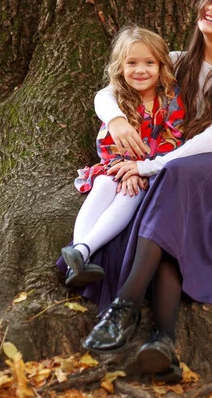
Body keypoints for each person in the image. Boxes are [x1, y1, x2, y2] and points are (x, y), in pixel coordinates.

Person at [80, 0, 212, 383]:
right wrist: (115, 120)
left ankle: (125, 306)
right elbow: (109, 90)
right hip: (176, 170)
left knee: (174, 178)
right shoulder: (173, 60)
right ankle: (163, 342)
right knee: (169, 227)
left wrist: (152, 166)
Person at [61, 26, 185, 287]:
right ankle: (78, 255)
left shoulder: (170, 100)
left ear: (162, 65)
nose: (140, 70)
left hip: (150, 170)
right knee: (105, 183)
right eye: (132, 63)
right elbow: (108, 142)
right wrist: (121, 167)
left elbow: (173, 140)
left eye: (149, 62)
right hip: (116, 166)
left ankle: (82, 251)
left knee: (132, 192)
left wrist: (141, 168)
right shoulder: (118, 100)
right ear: (120, 66)